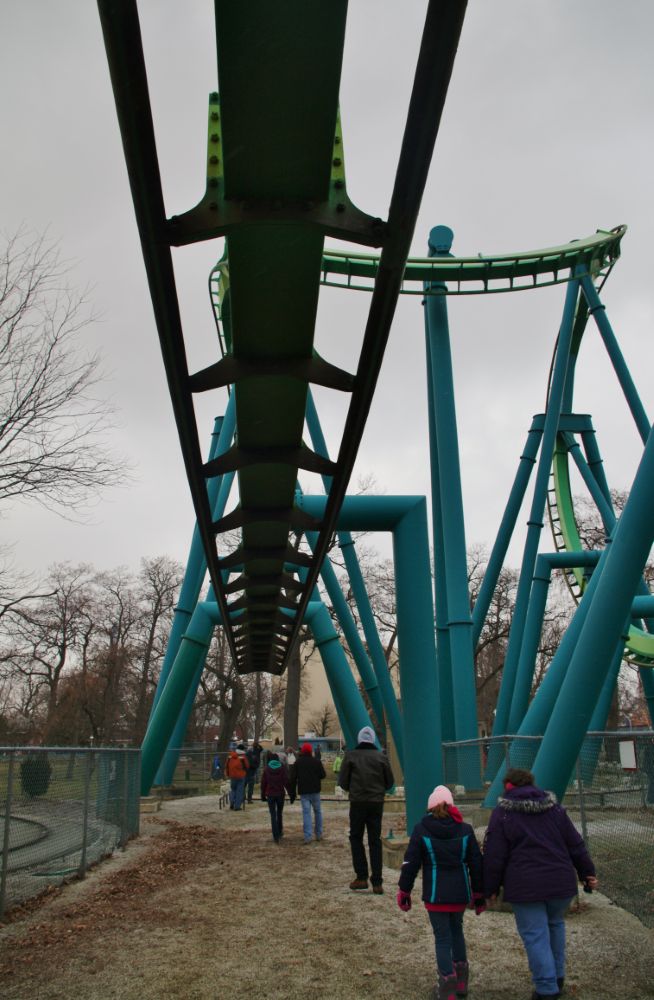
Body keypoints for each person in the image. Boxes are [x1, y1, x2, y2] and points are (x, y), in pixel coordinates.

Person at [483, 767, 598, 1000]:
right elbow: (575, 844)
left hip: (525, 885)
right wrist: (588, 873)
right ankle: (557, 976)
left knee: (535, 934)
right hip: (560, 881)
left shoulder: (503, 813)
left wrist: (490, 888)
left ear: (508, 787)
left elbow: (495, 855)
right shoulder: (555, 810)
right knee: (555, 925)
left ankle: (546, 988)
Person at [396, 785, 485, 1000]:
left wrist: (404, 890)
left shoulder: (422, 830)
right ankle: (461, 980)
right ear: (451, 805)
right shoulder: (465, 830)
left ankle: (447, 985)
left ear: (430, 808)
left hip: (435, 895)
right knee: (457, 932)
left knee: (442, 938)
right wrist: (478, 893)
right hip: (460, 893)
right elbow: (476, 863)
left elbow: (410, 863)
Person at [338, 725, 394, 894]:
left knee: (356, 837)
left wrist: (353, 789)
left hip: (358, 802)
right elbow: (389, 782)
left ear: (360, 740)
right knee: (374, 840)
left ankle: (361, 876)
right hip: (376, 802)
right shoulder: (381, 757)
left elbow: (343, 782)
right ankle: (377, 881)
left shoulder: (351, 756)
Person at [289, 742, 326, 844]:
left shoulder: (298, 763)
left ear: (302, 751)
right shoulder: (317, 762)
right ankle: (318, 834)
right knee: (317, 812)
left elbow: (293, 778)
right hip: (315, 790)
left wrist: (292, 791)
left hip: (304, 791)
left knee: (306, 813)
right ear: (311, 751)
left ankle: (308, 836)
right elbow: (323, 775)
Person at [261, 751, 291, 844]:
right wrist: (290, 792)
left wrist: (263, 794)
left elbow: (263, 783)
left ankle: (275, 835)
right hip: (280, 793)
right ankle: (280, 831)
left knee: (273, 815)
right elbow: (286, 781)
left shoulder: (266, 769)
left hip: (270, 794)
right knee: (279, 813)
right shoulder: (282, 768)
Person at [224, 745, 249, 810]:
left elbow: (226, 765)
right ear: (243, 750)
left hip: (232, 776)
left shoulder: (230, 756)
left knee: (233, 789)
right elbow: (247, 766)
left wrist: (228, 773)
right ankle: (237, 806)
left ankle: (232, 802)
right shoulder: (243, 757)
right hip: (241, 776)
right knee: (239, 791)